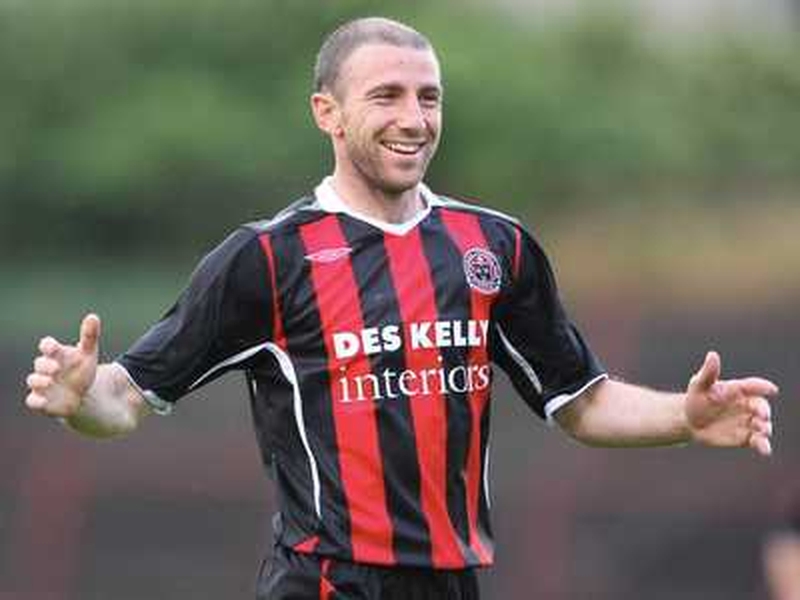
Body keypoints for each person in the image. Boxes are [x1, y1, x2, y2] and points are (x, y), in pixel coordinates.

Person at [25, 16, 778, 600]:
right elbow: (129, 396)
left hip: (453, 580)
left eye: (428, 96)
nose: (413, 117)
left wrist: (685, 416)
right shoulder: (267, 259)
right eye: (386, 95)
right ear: (327, 111)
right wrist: (81, 397)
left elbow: (580, 403)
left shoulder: (496, 247)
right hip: (326, 581)